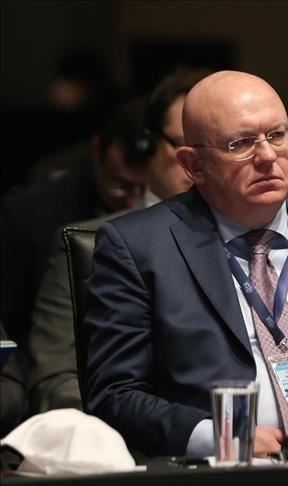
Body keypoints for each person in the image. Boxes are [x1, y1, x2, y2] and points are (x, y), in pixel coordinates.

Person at [83, 71, 288, 458]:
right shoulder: (139, 247)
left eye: (277, 136)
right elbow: (114, 395)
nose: (267, 156)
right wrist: (227, 437)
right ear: (194, 165)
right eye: (241, 143)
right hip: (238, 466)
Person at [24, 70, 208, 415]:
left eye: (216, 146)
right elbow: (55, 378)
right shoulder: (94, 242)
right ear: (150, 145)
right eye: (183, 145)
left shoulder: (262, 240)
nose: (198, 162)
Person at [0, 100, 152, 355]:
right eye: (120, 185)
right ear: (96, 152)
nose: (132, 201)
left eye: (143, 189)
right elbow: (11, 326)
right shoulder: (29, 216)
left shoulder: (166, 216)